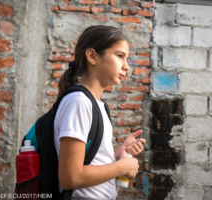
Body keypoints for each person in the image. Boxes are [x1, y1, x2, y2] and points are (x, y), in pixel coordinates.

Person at [53, 25, 146, 199]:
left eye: (126, 58)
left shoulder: (98, 105)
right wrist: (123, 168)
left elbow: (90, 159)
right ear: (92, 56)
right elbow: (70, 177)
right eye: (120, 56)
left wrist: (119, 151)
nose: (126, 66)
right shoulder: (79, 102)